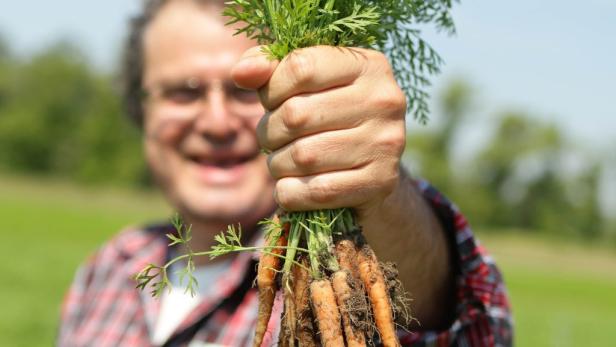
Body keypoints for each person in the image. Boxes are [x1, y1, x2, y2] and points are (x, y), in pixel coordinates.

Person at [58, 0, 513, 346]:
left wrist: (381, 197)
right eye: (183, 92)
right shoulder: (109, 268)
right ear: (142, 110)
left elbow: (460, 323)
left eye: (246, 92)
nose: (216, 123)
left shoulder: (329, 271)